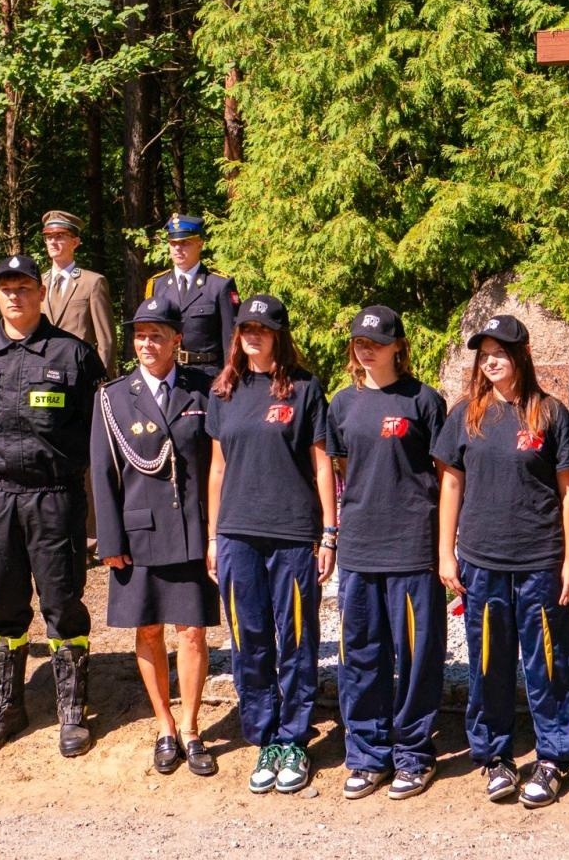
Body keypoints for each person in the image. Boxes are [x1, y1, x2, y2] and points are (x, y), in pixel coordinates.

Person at [0, 253, 107, 757]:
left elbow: (98, 433)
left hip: (53, 496)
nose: (15, 296)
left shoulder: (73, 355)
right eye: (6, 289)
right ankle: (5, 707)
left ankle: (71, 710)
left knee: (62, 603)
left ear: (41, 293)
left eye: (24, 287)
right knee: (2, 605)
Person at [434, 314, 569, 809]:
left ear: (522, 355)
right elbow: (450, 483)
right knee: (488, 663)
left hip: (540, 558)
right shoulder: (466, 415)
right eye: (485, 354)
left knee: (549, 664)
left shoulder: (551, 413)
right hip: (481, 559)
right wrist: (444, 552)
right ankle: (494, 756)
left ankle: (554, 756)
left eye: (501, 352)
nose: (491, 361)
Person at [204, 294, 335, 796]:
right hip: (237, 535)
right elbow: (217, 469)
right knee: (249, 639)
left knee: (297, 640)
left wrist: (328, 533)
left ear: (278, 332)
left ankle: (295, 738)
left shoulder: (303, 388)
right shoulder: (225, 389)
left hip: (293, 535)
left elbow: (323, 465)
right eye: (245, 327)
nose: (252, 334)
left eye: (262, 327)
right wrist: (214, 537)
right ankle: (264, 737)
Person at [90, 297, 220, 777]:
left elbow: (217, 465)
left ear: (177, 341)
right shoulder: (113, 397)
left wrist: (216, 533)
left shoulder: (202, 392)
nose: (147, 343)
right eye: (140, 335)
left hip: (190, 530)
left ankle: (191, 728)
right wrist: (109, 541)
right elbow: (103, 474)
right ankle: (164, 726)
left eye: (157, 335)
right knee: (148, 630)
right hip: (138, 531)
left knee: (191, 630)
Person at [326, 305, 448, 800]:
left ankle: (414, 754)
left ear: (398, 345)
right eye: (359, 340)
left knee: (418, 658)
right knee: (360, 656)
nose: (365, 347)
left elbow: (447, 478)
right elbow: (339, 467)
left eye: (376, 341)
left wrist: (444, 547)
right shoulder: (342, 404)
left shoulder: (424, 401)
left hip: (413, 548)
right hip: (359, 548)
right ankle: (367, 754)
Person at [144, 214, 237, 377]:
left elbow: (232, 339)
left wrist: (230, 378)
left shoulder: (219, 285)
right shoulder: (157, 285)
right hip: (168, 374)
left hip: (208, 376)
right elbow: (148, 335)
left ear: (200, 244)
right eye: (173, 243)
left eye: (185, 243)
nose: (178, 248)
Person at [40, 209, 116, 375]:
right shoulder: (38, 284)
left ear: (75, 242)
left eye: (60, 236)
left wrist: (102, 379)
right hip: (43, 373)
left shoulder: (92, 283)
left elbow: (106, 340)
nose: (53, 242)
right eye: (49, 237)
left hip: (80, 372)